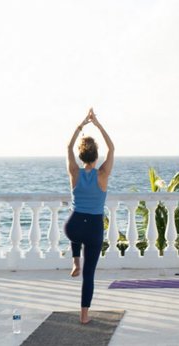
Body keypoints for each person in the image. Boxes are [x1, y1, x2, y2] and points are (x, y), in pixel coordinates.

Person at [64, 108, 115, 324]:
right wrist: (98, 124)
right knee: (90, 274)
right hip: (93, 227)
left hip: (73, 226)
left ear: (82, 155)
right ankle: (84, 315)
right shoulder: (102, 175)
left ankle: (75, 260)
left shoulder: (74, 173)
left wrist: (81, 125)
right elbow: (112, 147)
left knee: (76, 229)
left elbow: (68, 147)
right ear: (96, 156)